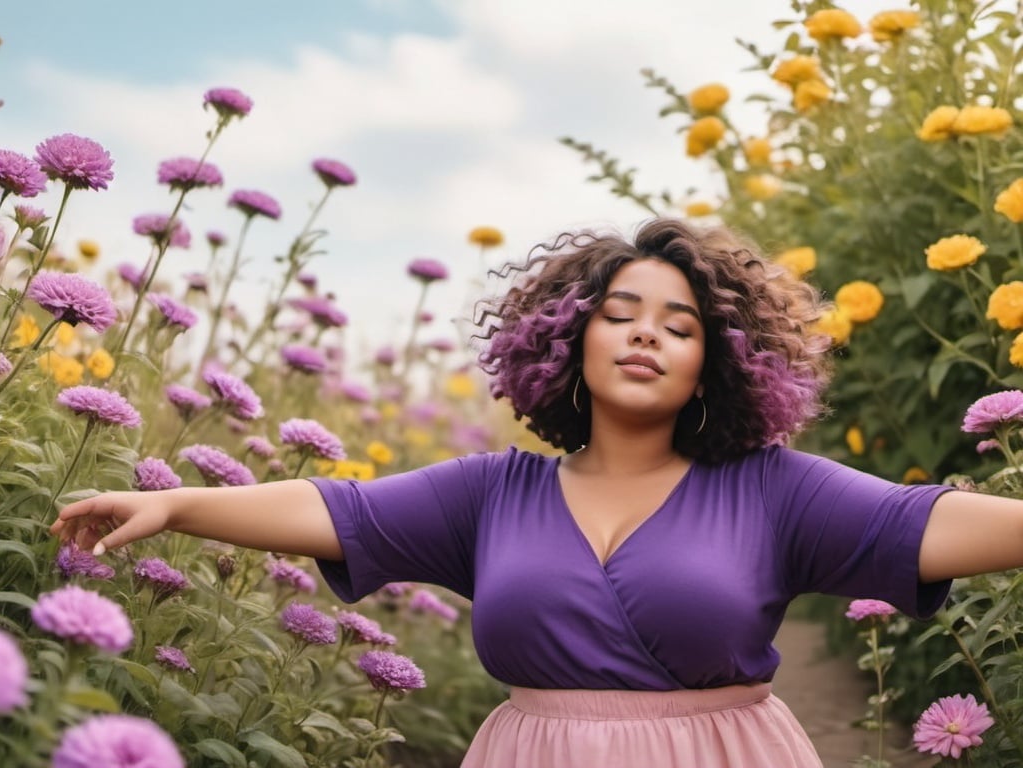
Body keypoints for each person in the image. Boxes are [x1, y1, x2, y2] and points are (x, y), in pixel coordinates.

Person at [52, 217, 1023, 767]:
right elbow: (336, 511)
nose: (646, 334)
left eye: (679, 326)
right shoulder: (492, 495)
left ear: (718, 364)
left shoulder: (773, 493)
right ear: (569, 337)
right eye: (621, 313)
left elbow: (923, 521)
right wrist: (177, 504)